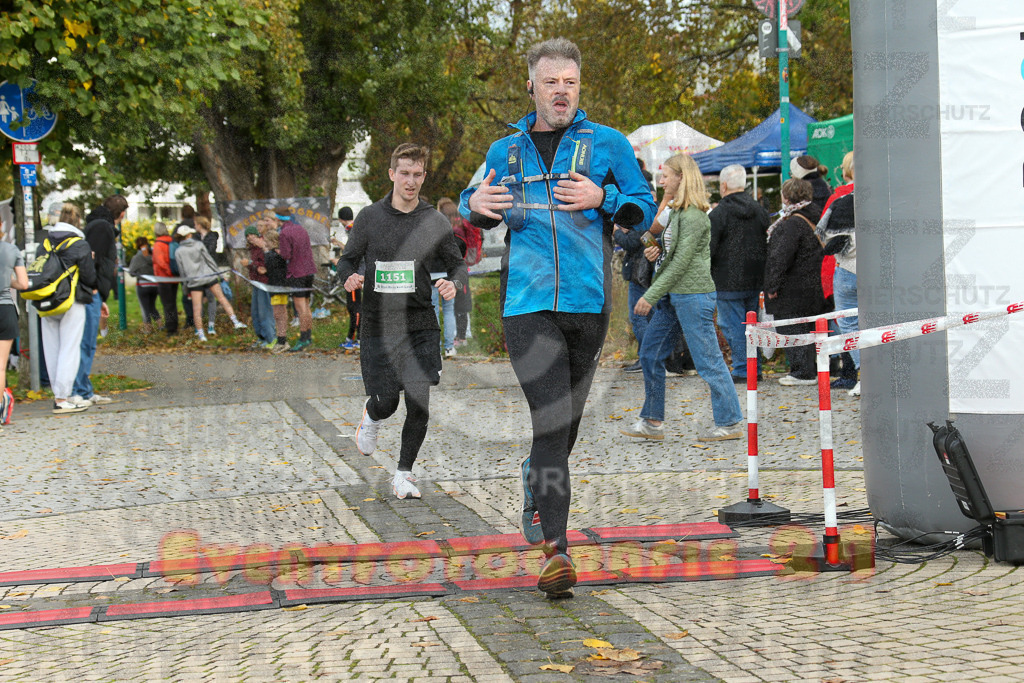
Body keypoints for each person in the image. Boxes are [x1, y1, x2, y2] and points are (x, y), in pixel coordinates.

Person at [459, 38, 657, 598]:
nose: (562, 91)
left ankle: (534, 485)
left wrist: (604, 196)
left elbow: (642, 208)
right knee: (550, 421)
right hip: (525, 305)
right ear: (532, 86)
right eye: (552, 82)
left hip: (589, 306)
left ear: (579, 86)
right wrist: (473, 206)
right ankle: (556, 550)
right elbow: (468, 197)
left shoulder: (608, 144)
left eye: (570, 82)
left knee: (564, 427)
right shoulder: (506, 150)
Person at [337, 143, 467, 502]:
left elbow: (457, 264)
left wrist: (452, 283)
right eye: (404, 173)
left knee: (419, 401)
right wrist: (348, 277)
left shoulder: (434, 221)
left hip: (420, 322)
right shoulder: (369, 218)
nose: (410, 181)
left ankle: (404, 474)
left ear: (424, 177)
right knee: (387, 402)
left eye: (417, 175)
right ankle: (372, 414)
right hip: (378, 323)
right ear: (392, 174)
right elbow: (346, 261)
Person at [621, 153, 744, 442]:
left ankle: (729, 422)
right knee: (650, 354)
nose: (661, 180)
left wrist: (650, 295)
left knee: (708, 361)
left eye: (666, 175)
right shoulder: (675, 212)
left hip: (693, 296)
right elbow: (660, 247)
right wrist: (655, 252)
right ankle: (652, 421)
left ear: (681, 177)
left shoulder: (694, 217)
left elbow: (682, 263)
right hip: (673, 298)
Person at [708, 164, 770, 383]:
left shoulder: (718, 213)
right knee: (751, 325)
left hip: (727, 279)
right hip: (755, 277)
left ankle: (744, 369)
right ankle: (755, 367)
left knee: (731, 325)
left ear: (723, 185)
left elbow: (710, 247)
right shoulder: (759, 210)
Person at [764, 178, 827, 386]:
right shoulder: (817, 217)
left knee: (792, 328)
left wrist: (772, 285)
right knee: (809, 327)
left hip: (792, 286)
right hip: (814, 283)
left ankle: (802, 372)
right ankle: (812, 369)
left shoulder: (791, 224)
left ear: (787, 197)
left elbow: (780, 257)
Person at [38, 204, 99, 414]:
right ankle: (64, 397)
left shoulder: (45, 242)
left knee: (52, 350)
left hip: (46, 299)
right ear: (77, 221)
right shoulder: (79, 244)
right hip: (71, 301)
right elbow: (89, 276)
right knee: (69, 349)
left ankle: (60, 394)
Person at [72, 195, 125, 408]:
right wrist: (94, 288)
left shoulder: (96, 225)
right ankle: (79, 391)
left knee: (88, 344)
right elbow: (91, 258)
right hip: (89, 292)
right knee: (86, 344)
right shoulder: (103, 228)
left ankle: (84, 389)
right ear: (121, 214)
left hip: (93, 293)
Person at [817, 151, 860, 396]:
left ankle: (861, 372)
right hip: (875, 271)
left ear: (845, 171)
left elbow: (823, 236)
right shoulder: (883, 197)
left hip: (845, 269)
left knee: (848, 322)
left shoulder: (838, 199)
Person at [173, 225, 246, 341]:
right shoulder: (198, 245)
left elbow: (182, 272)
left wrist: (185, 287)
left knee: (197, 308)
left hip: (194, 281)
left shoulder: (178, 252)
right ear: (189, 235)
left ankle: (201, 334)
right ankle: (235, 321)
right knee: (222, 298)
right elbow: (209, 261)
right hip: (208, 276)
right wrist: (220, 275)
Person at [273, 207, 316, 351]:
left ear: (278, 219)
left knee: (300, 307)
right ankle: (308, 336)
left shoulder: (284, 233)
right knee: (306, 305)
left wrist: (277, 251)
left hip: (296, 272)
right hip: (309, 270)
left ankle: (303, 338)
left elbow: (286, 255)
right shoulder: (301, 229)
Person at [1, 238, 28, 428]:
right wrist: (8, 281)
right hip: (5, 309)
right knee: (1, 367)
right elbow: (24, 284)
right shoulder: (11, 250)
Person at [431, 199, 461, 358]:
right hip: (447, 276)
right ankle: (449, 347)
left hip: (431, 275)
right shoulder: (454, 233)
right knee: (449, 311)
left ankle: (436, 348)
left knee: (434, 312)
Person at [239, 223, 277, 349]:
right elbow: (257, 265)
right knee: (255, 312)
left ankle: (271, 338)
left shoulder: (263, 247)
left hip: (264, 283)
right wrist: (250, 265)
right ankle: (261, 337)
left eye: (252, 235)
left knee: (264, 311)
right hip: (255, 282)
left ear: (258, 236)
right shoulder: (252, 249)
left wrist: (250, 263)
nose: (250, 238)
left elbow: (266, 264)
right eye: (248, 236)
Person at [334, 206, 362, 351]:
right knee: (353, 306)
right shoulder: (354, 228)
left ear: (340, 219)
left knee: (354, 307)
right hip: (355, 272)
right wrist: (338, 243)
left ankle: (356, 338)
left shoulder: (352, 229)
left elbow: (354, 252)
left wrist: (339, 261)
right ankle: (354, 337)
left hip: (354, 274)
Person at [194, 215, 223, 336]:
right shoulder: (195, 238)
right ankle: (199, 326)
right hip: (198, 271)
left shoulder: (212, 237)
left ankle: (211, 325)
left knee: (211, 298)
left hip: (209, 271)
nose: (194, 227)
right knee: (198, 299)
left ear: (200, 225)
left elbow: (209, 252)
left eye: (195, 224)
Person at [263, 229, 291, 354]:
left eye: (266, 240)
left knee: (279, 313)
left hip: (279, 287)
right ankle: (281, 339)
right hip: (275, 287)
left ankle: (282, 340)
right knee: (278, 314)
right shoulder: (273, 254)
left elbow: (267, 266)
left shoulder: (275, 255)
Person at [128, 237, 161, 333]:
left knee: (145, 308)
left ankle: (148, 329)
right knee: (152, 306)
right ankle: (160, 325)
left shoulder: (137, 258)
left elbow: (131, 272)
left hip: (142, 285)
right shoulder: (153, 256)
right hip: (155, 285)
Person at [151, 222, 179, 335]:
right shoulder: (171, 241)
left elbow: (160, 261)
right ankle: (174, 324)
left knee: (167, 304)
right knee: (173, 302)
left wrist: (167, 272)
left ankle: (171, 328)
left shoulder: (158, 244)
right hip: (175, 277)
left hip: (164, 278)